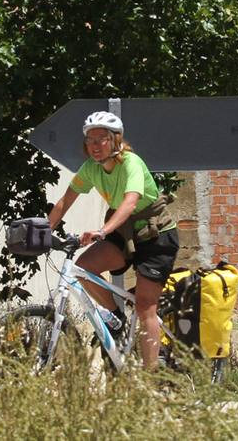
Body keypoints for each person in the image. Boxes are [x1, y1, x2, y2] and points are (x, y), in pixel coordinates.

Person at [47, 111, 179, 367]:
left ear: (116, 140)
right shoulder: (90, 169)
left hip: (156, 234)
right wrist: (43, 231)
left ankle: (150, 380)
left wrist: (103, 230)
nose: (95, 146)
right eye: (90, 141)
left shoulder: (131, 163)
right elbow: (65, 200)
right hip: (124, 232)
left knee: (144, 306)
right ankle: (116, 317)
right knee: (83, 269)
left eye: (102, 139)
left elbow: (130, 203)